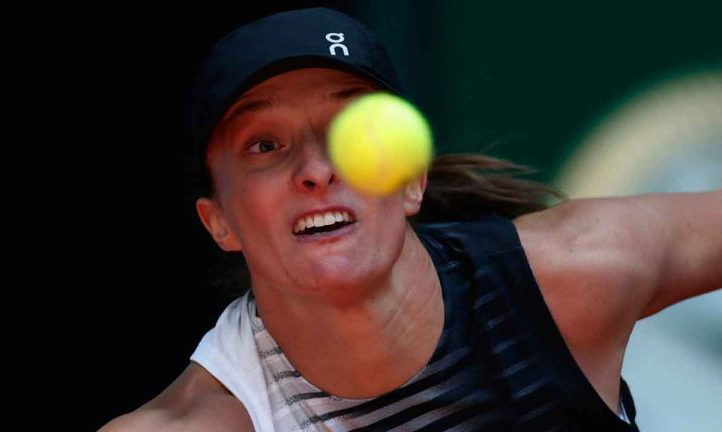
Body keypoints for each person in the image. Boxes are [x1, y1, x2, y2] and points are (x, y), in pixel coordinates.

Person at [100, 7, 721, 432]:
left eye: (352, 130)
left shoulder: (571, 280)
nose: (317, 169)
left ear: (411, 179)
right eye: (265, 144)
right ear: (220, 223)